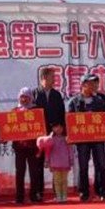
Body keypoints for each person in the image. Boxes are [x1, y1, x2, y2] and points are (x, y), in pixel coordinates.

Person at [67, 74, 105, 202]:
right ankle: (84, 192)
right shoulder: (74, 101)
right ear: (83, 85)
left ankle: (102, 191)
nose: (93, 86)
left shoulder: (100, 100)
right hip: (82, 140)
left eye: (94, 83)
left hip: (97, 138)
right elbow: (70, 121)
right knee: (83, 166)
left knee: (101, 165)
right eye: (90, 83)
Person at [32, 67, 66, 200]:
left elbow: (61, 113)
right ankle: (38, 192)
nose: (54, 80)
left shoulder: (57, 95)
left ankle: (57, 192)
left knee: (56, 163)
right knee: (38, 164)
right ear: (44, 78)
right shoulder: (34, 93)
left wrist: (61, 128)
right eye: (52, 77)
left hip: (55, 133)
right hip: (39, 135)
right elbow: (31, 114)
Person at [11, 87, 43, 204]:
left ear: (31, 98)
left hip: (33, 146)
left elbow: (41, 127)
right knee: (20, 172)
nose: (24, 99)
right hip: (19, 146)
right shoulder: (14, 111)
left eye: (26, 97)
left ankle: (34, 195)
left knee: (34, 172)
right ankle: (19, 196)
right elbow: (9, 128)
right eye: (22, 97)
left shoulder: (36, 111)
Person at [36, 122, 74, 203]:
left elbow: (70, 150)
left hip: (65, 163)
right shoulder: (50, 140)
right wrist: (47, 161)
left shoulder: (67, 139)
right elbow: (47, 152)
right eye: (56, 127)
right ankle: (58, 196)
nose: (58, 129)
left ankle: (64, 196)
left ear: (63, 129)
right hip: (55, 163)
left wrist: (71, 160)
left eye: (60, 127)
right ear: (52, 129)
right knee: (57, 181)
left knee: (64, 181)